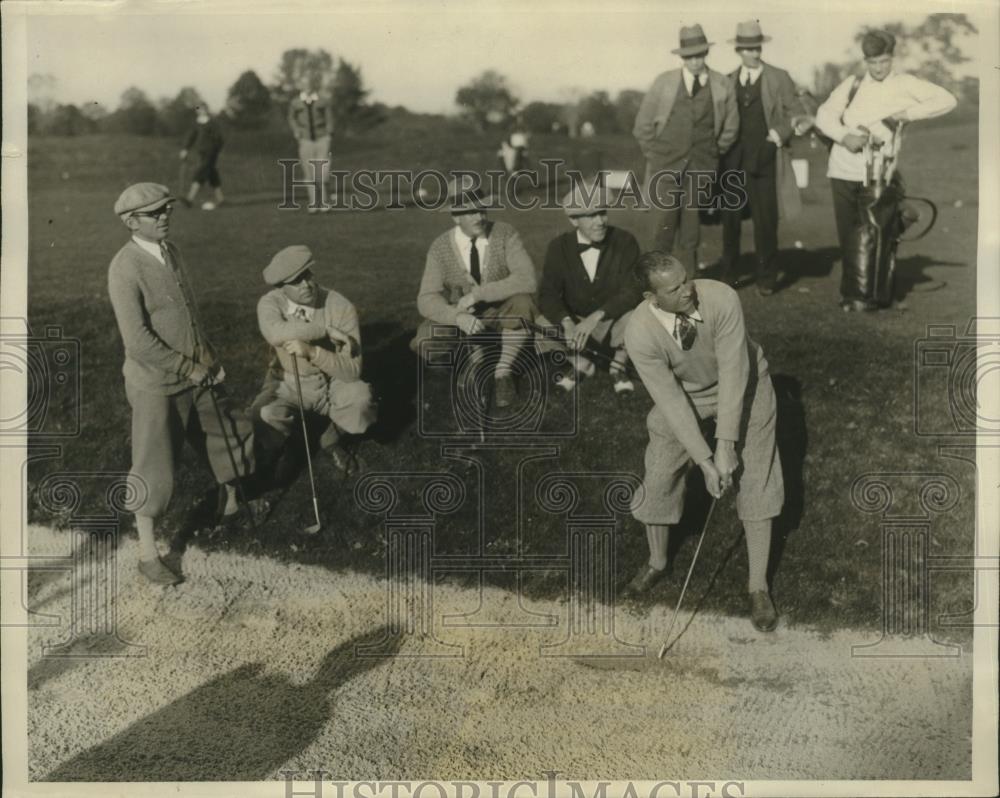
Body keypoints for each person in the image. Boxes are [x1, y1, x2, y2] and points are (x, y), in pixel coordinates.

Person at [107, 183, 262, 586]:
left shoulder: (171, 251)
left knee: (229, 430)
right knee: (154, 466)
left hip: (198, 369)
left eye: (166, 210)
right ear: (130, 221)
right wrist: (186, 368)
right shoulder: (125, 267)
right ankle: (146, 553)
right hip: (156, 382)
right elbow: (137, 340)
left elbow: (190, 315)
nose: (164, 217)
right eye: (154, 213)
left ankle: (228, 501)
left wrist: (208, 358)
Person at [623, 251, 783, 632]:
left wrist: (726, 444)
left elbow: (733, 369)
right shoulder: (639, 333)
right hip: (688, 395)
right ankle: (658, 562)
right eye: (675, 287)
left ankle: (758, 586)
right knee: (659, 472)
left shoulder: (723, 298)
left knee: (756, 475)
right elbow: (671, 401)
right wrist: (705, 460)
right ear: (651, 297)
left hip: (747, 385)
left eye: (687, 279)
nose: (688, 289)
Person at [814, 30, 956, 312]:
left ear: (892, 58)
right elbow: (823, 115)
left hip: (880, 174)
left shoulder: (904, 84)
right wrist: (845, 136)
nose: (879, 68)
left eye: (884, 61)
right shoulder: (852, 84)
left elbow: (947, 100)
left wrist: (905, 115)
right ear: (865, 61)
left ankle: (879, 294)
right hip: (843, 169)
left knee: (882, 235)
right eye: (873, 62)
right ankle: (853, 295)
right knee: (850, 236)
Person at [410, 175, 538, 409]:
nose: (479, 217)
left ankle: (503, 371)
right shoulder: (440, 247)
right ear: (456, 216)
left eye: (482, 209)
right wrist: (456, 317)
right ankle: (470, 363)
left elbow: (527, 279)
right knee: (425, 342)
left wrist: (479, 294)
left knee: (523, 302)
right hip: (463, 316)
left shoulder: (505, 233)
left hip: (501, 313)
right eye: (470, 212)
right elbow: (426, 298)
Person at [252, 245, 377, 473]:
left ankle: (331, 440)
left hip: (333, 381)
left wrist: (313, 352)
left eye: (308, 275)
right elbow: (275, 333)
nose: (306, 284)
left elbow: (352, 371)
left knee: (361, 401)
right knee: (263, 414)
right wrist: (326, 330)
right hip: (290, 382)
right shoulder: (271, 302)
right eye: (296, 281)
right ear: (281, 288)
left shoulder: (340, 305)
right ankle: (294, 442)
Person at [633, 23, 739, 276]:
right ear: (682, 56)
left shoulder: (722, 85)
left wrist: (712, 152)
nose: (695, 61)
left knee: (691, 232)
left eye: (700, 55)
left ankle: (687, 285)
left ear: (706, 54)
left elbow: (731, 128)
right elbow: (642, 127)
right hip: (664, 168)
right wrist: (657, 155)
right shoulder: (665, 83)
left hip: (701, 169)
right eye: (689, 56)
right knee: (661, 229)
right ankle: (655, 288)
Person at [717, 21, 804, 295]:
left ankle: (767, 277)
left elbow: (796, 113)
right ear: (739, 50)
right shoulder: (727, 80)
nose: (754, 53)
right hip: (732, 160)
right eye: (748, 49)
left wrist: (775, 138)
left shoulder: (779, 77)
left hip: (766, 158)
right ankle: (729, 276)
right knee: (730, 221)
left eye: (757, 48)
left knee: (765, 220)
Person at [536, 181, 642, 394]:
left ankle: (618, 365)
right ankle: (581, 363)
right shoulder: (558, 247)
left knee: (639, 315)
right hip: (575, 321)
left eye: (602, 213)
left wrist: (596, 317)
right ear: (573, 220)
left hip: (612, 319)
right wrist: (566, 323)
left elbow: (632, 290)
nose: (600, 221)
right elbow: (548, 294)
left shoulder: (625, 241)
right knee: (542, 323)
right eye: (591, 216)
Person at [287, 75, 335, 213]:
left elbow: (329, 118)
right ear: (301, 86)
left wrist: (329, 134)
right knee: (309, 173)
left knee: (322, 172)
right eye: (304, 84)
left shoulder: (322, 101)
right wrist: (296, 130)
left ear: (313, 85)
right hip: (306, 140)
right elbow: (291, 118)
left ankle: (325, 203)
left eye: (309, 83)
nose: (307, 86)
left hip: (322, 139)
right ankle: (314, 203)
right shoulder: (295, 102)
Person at [179, 107, 225, 210]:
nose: (200, 111)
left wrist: (215, 149)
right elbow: (191, 136)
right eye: (198, 109)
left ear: (206, 110)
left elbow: (219, 138)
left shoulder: (212, 123)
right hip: (201, 152)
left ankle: (189, 199)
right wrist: (185, 149)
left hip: (211, 152)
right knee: (212, 173)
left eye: (202, 109)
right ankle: (221, 200)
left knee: (200, 172)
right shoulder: (197, 124)